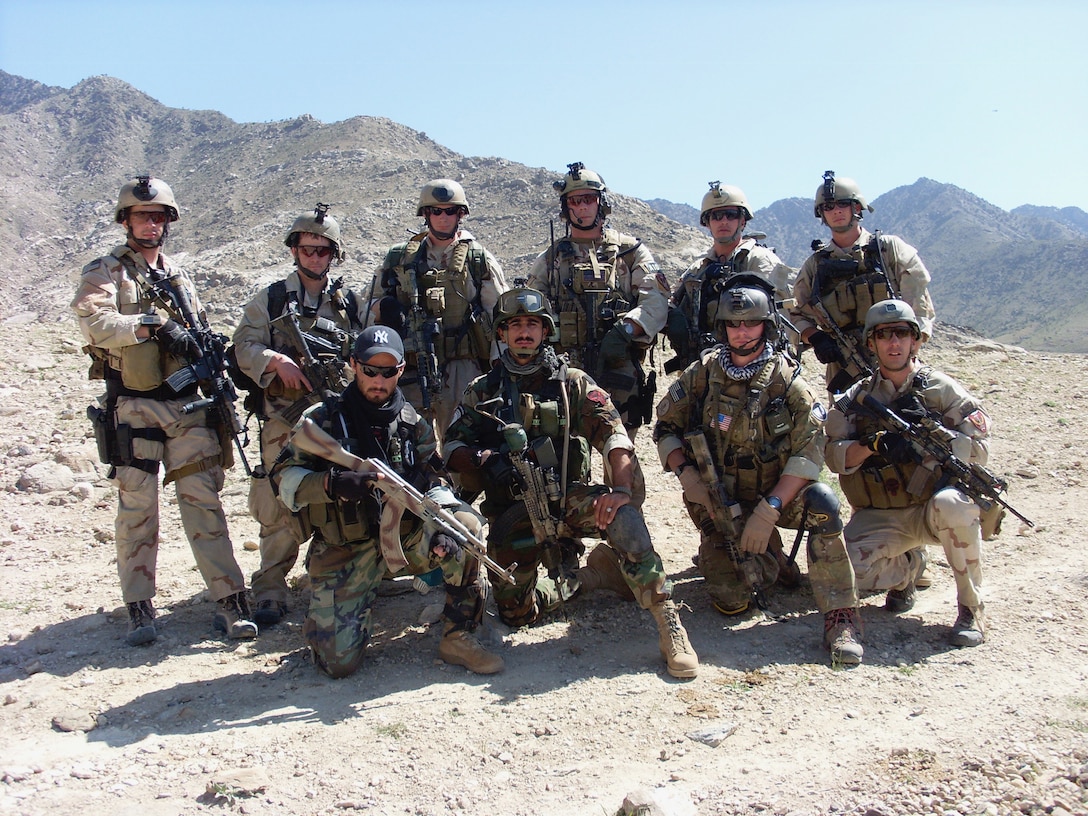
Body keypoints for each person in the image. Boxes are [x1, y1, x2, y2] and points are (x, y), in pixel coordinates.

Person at [443, 285, 699, 679]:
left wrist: (621, 491)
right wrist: (483, 459)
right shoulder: (483, 390)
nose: (524, 333)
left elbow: (615, 435)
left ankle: (669, 623)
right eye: (515, 326)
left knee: (626, 521)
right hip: (516, 513)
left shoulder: (573, 383)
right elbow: (453, 445)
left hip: (571, 500)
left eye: (532, 324)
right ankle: (592, 577)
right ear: (501, 333)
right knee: (515, 613)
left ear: (546, 331)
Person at [71, 176, 257, 645]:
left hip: (186, 406)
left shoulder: (177, 275)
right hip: (134, 406)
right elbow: (94, 321)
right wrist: (153, 326)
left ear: (168, 222)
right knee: (138, 508)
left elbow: (196, 330)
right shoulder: (106, 272)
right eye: (141, 216)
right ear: (126, 220)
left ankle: (230, 600)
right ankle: (139, 606)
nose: (150, 224)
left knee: (204, 502)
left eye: (158, 216)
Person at [653, 274, 863, 665]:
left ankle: (840, 616)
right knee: (732, 602)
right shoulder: (703, 373)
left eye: (750, 323)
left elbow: (810, 450)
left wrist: (769, 510)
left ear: (766, 326)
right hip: (721, 501)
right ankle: (773, 561)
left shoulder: (788, 382)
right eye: (733, 324)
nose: (741, 331)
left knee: (822, 501)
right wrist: (685, 473)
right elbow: (665, 427)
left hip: (779, 496)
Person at [271, 326, 503, 678]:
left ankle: (459, 636)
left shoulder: (413, 424)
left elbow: (434, 479)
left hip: (404, 536)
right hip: (346, 547)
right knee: (338, 664)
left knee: (466, 529)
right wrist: (330, 484)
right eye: (369, 370)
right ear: (353, 365)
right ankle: (338, 614)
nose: (378, 380)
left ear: (399, 372)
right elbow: (283, 480)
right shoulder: (324, 420)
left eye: (389, 372)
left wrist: (444, 526)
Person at [824, 299, 990, 646]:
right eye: (884, 335)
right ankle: (908, 569)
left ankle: (971, 608)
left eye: (902, 333)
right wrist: (873, 445)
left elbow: (980, 452)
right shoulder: (856, 399)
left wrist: (936, 434)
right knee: (844, 572)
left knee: (956, 504)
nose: (894, 343)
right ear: (872, 343)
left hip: (932, 508)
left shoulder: (942, 390)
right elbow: (834, 456)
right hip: (882, 514)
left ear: (916, 340)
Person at [231, 204, 366, 627]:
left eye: (324, 251)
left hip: (332, 419)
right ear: (294, 250)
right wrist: (275, 361)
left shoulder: (347, 303)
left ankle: (329, 577)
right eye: (308, 249)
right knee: (278, 501)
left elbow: (364, 351)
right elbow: (243, 346)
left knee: (336, 493)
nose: (315, 257)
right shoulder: (271, 299)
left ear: (333, 255)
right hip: (283, 419)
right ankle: (270, 585)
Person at [528, 162, 670, 436]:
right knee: (567, 458)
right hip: (564, 371)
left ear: (601, 202)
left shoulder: (630, 252)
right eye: (575, 200)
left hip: (618, 368)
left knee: (621, 456)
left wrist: (625, 330)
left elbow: (656, 301)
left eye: (589, 199)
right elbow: (531, 307)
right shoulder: (551, 258)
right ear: (566, 207)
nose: (582, 207)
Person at [374, 179, 507, 444]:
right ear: (425, 214)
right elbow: (372, 308)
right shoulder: (399, 258)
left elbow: (499, 316)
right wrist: (387, 310)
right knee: (406, 440)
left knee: (460, 441)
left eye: (450, 211)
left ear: (461, 215)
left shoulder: (478, 259)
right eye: (436, 211)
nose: (443, 217)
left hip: (462, 365)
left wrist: (498, 367)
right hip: (411, 364)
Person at [790, 171, 936, 394]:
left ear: (857, 208)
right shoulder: (815, 265)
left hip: (897, 355)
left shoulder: (889, 250)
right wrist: (816, 337)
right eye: (828, 207)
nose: (836, 211)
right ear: (821, 214)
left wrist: (911, 348)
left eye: (843, 204)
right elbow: (796, 314)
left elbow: (918, 301)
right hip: (844, 364)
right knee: (843, 425)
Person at [666, 182, 795, 372]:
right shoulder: (698, 269)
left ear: (742, 221)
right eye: (716, 216)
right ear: (708, 223)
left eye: (731, 215)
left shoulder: (761, 261)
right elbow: (672, 307)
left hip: (754, 365)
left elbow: (779, 322)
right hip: (702, 368)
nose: (723, 221)